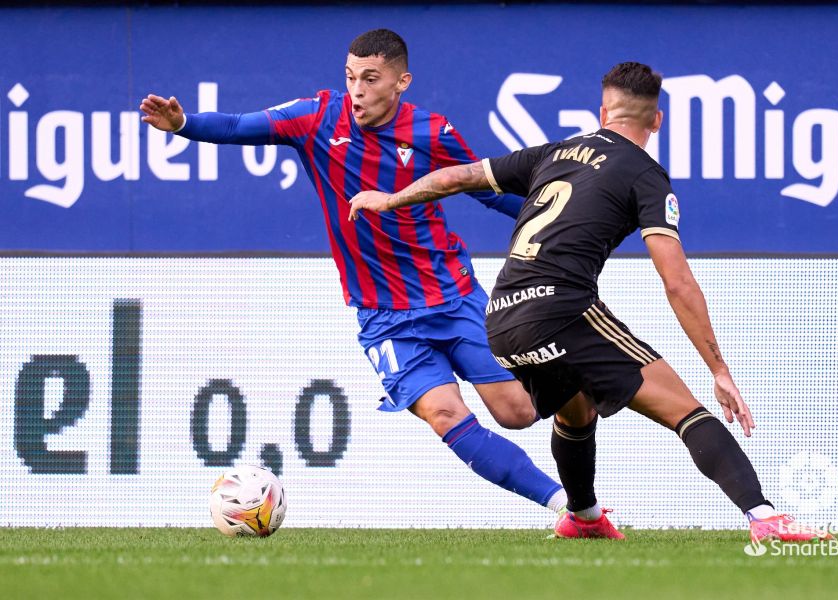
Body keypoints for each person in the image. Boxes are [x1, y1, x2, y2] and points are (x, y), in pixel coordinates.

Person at [349, 61, 833, 543]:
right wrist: (719, 368)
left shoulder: (557, 151)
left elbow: (456, 178)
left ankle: (583, 516)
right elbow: (677, 280)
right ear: (656, 121)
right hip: (560, 309)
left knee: (575, 410)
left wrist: (390, 200)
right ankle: (764, 515)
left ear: (602, 111)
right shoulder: (646, 175)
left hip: (500, 316)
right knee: (687, 411)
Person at [139, 29, 567, 516]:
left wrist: (563, 216)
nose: (357, 89)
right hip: (383, 315)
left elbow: (488, 191)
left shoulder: (431, 132)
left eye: (370, 78)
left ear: (400, 82)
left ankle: (574, 385)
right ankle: (567, 507)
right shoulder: (317, 117)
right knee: (445, 415)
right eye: (350, 77)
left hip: (451, 294)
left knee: (518, 413)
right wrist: (183, 124)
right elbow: (239, 126)